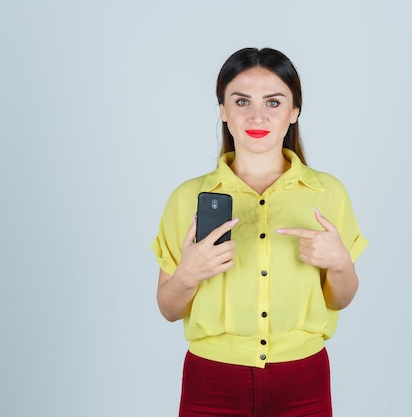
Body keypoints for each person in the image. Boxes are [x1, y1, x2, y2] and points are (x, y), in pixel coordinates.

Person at [151, 47, 368, 417]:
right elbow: (169, 309)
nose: (256, 115)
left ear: (294, 111)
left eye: (273, 102)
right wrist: (188, 275)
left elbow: (339, 299)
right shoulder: (186, 198)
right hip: (211, 381)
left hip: (304, 378)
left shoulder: (328, 193)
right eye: (241, 101)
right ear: (222, 109)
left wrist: (340, 265)